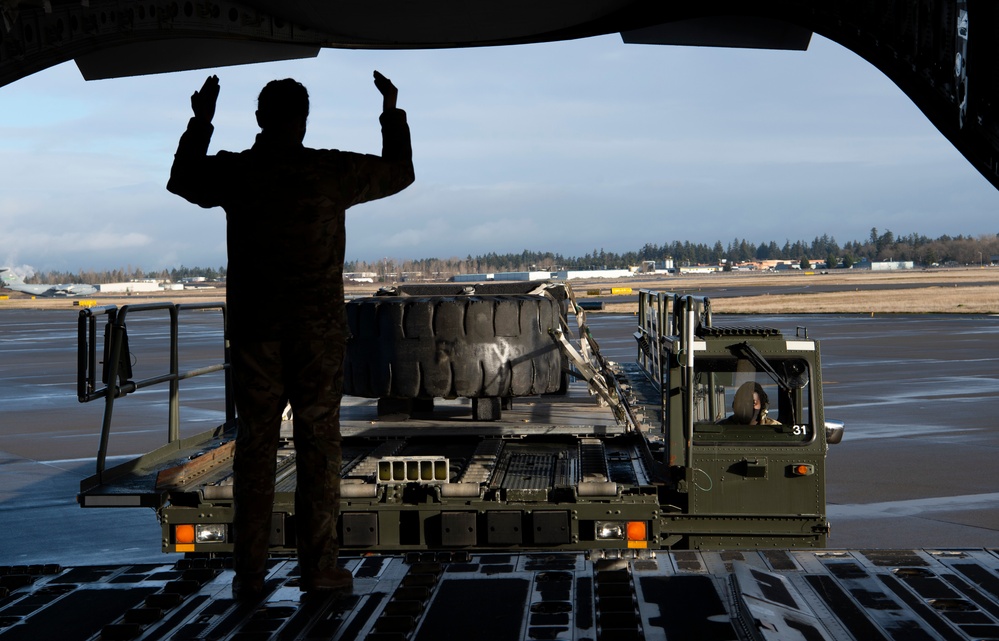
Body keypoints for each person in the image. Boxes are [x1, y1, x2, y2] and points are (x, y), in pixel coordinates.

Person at [167, 71, 414, 600]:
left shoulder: (241, 172)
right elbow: (399, 172)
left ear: (259, 118)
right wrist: (391, 110)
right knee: (318, 448)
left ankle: (250, 575)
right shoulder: (329, 171)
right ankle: (319, 569)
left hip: (257, 333)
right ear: (303, 120)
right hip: (316, 334)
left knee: (255, 446)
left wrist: (202, 120)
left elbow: (184, 179)